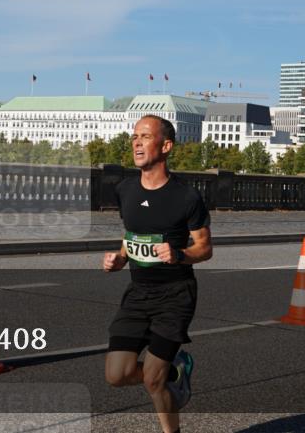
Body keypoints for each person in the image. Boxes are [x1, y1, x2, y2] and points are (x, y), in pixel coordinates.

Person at [103, 115, 213, 433]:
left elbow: (204, 248)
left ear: (165, 146)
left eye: (145, 136)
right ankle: (175, 373)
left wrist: (179, 255)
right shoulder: (125, 190)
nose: (137, 142)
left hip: (175, 296)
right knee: (117, 374)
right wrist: (120, 258)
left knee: (152, 379)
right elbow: (131, 234)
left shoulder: (186, 197)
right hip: (137, 295)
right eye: (134, 136)